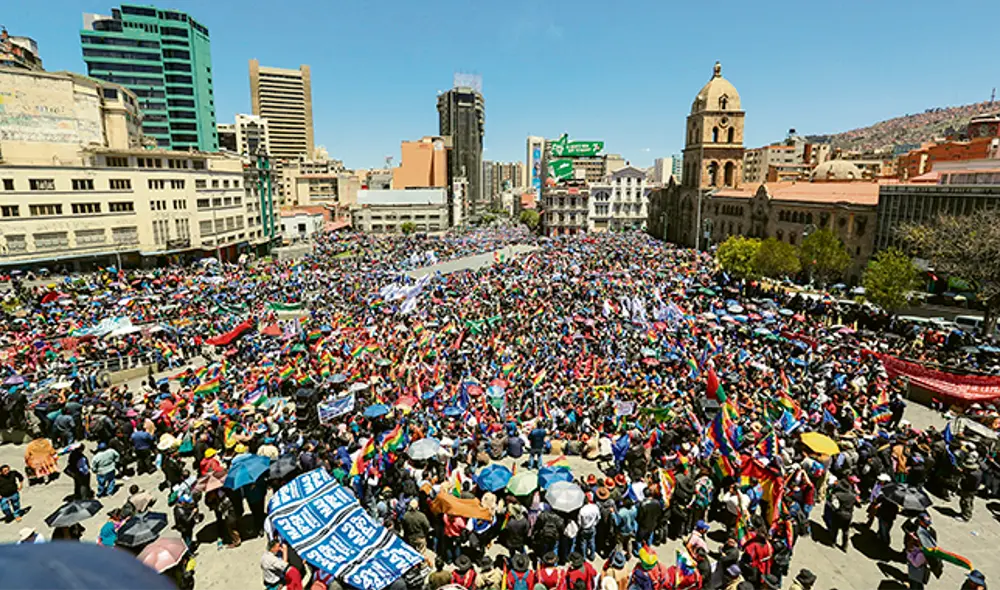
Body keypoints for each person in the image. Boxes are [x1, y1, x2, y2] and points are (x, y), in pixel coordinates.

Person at [827, 478, 857, 551]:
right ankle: (845, 545)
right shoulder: (853, 496)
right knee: (846, 531)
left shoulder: (838, 495)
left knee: (835, 528)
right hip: (848, 515)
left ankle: (833, 542)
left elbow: (833, 504)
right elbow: (858, 504)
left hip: (839, 513)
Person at [958, 454, 982, 522]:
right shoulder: (978, 472)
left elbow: (966, 482)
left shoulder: (971, 475)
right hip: (973, 490)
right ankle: (966, 513)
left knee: (965, 502)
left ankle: (965, 516)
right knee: (969, 502)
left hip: (968, 490)